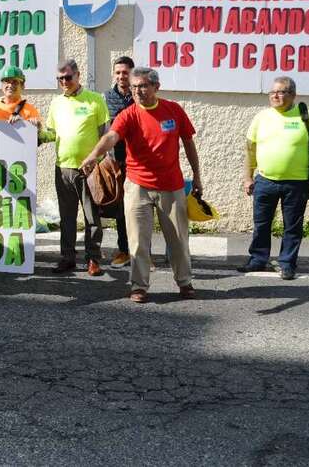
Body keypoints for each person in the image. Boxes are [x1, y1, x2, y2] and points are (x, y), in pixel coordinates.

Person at [80, 67, 202, 303]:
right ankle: (139, 286)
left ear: (156, 87)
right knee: (137, 241)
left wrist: (197, 176)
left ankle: (185, 282)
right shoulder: (129, 114)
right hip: (138, 186)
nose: (138, 91)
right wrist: (94, 156)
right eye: (134, 87)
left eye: (143, 86)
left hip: (171, 186)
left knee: (178, 239)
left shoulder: (173, 110)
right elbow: (111, 137)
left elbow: (188, 143)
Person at [238, 76, 309, 280]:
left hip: (296, 183)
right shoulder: (261, 117)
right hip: (265, 181)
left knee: (292, 226)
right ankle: (258, 260)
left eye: (281, 92)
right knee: (261, 224)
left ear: (293, 95)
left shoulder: (308, 115)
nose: (275, 95)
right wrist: (247, 177)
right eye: (272, 92)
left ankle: (287, 263)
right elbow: (249, 150)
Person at [40, 59, 109, 276]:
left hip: (88, 169)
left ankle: (93, 259)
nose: (64, 82)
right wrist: (36, 134)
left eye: (68, 77)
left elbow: (105, 136)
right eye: (59, 78)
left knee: (92, 218)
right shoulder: (56, 103)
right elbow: (51, 133)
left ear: (78, 76)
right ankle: (67, 258)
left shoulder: (95, 100)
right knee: (67, 217)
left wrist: (94, 160)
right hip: (62, 168)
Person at [103, 56, 135, 269]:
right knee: (121, 209)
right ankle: (124, 250)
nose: (122, 76)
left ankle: (144, 253)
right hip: (116, 162)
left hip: (139, 162)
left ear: (132, 73)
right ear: (113, 74)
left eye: (125, 72)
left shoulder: (141, 94)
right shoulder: (104, 98)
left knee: (141, 210)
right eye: (118, 72)